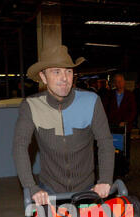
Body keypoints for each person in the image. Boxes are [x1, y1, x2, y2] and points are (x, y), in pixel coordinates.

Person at [13, 45, 115, 206]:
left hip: (87, 188)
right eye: (56, 71)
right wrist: (31, 186)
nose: (64, 78)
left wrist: (105, 179)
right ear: (43, 77)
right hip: (50, 191)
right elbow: (19, 146)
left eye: (68, 71)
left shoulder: (91, 101)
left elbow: (105, 142)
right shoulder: (31, 106)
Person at [102, 72, 136, 175]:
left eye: (120, 81)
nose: (119, 83)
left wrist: (126, 121)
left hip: (125, 128)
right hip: (113, 128)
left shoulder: (130, 95)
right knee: (114, 149)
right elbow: (105, 109)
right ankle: (114, 168)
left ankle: (125, 168)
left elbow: (133, 111)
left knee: (125, 149)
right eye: (116, 82)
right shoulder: (110, 95)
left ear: (124, 82)